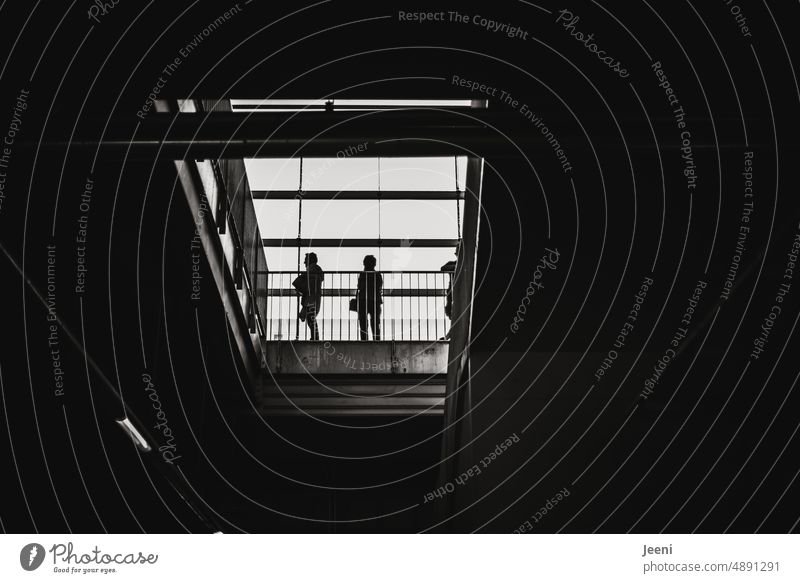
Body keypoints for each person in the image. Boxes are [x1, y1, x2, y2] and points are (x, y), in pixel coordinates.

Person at [357, 254, 383, 340]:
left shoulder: (363, 274)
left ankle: (364, 341)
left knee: (363, 324)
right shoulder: (377, 275)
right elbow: (379, 286)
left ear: (364, 263)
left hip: (363, 300)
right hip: (375, 301)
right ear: (374, 264)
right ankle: (377, 341)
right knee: (375, 323)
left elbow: (359, 286)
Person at [299, 252, 324, 340]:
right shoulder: (317, 270)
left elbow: (309, 284)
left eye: (305, 260)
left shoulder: (311, 269)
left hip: (311, 298)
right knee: (311, 318)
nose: (304, 262)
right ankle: (315, 337)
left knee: (311, 319)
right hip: (314, 297)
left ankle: (315, 337)